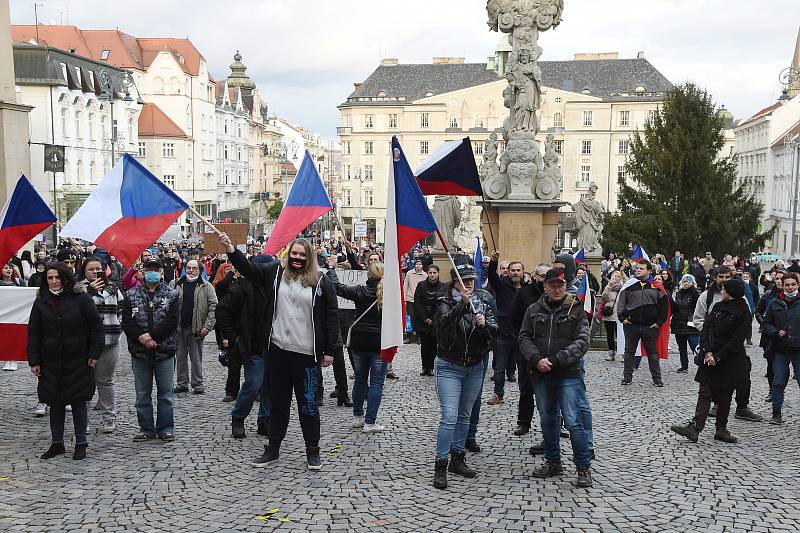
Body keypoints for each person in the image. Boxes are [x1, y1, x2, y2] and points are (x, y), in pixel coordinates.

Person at [222, 234, 341, 471]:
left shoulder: (320, 280)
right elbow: (249, 268)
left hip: (306, 354)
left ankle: (313, 451)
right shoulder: (275, 273)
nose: (297, 258)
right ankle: (272, 448)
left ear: (309, 257)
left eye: (302, 255)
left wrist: (330, 350)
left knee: (307, 404)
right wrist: (231, 249)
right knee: (278, 403)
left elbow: (332, 316)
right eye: (294, 254)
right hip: (277, 351)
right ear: (288, 255)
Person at [519, 268, 593, 488]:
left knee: (572, 420)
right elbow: (524, 337)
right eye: (552, 285)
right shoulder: (533, 310)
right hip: (541, 374)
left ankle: (583, 468)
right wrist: (536, 359)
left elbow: (582, 341)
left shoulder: (576, 309)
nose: (557, 289)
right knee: (548, 419)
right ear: (545, 287)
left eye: (560, 285)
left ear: (565, 285)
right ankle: (553, 462)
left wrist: (557, 360)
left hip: (567, 373)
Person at [28, 262, 104, 460]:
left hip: (78, 358)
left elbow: (96, 327)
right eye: (50, 278)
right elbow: (34, 332)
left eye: (57, 277)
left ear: (65, 278)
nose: (54, 281)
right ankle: (57, 443)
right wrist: (34, 360)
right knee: (55, 402)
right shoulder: (41, 301)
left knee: (78, 400)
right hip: (50, 360)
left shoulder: (81, 298)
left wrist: (94, 354)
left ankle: (81, 442)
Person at [432, 264, 497, 490]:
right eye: (463, 280)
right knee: (449, 415)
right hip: (450, 364)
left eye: (471, 279)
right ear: (455, 283)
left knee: (465, 415)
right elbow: (441, 327)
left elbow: (495, 330)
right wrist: (462, 304)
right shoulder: (444, 302)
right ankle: (441, 463)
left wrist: (484, 325)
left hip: (474, 366)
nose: (468, 283)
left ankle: (458, 458)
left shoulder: (485, 302)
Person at [671, 279, 751, 444]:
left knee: (725, 395)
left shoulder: (743, 311)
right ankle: (695, 428)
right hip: (710, 355)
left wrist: (719, 356)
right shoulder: (717, 307)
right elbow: (706, 329)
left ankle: (721, 429)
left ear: (731, 292)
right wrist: (707, 352)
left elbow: (737, 340)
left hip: (730, 359)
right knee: (705, 391)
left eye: (724, 289)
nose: (722, 291)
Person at [122, 258, 181, 442]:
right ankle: (146, 428)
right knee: (142, 394)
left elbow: (172, 321)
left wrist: (152, 336)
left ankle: (166, 428)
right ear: (143, 271)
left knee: (166, 394)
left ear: (161, 271)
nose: (153, 271)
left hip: (165, 351)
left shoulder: (171, 294)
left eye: (156, 268)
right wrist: (141, 337)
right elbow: (127, 321)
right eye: (149, 268)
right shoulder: (131, 294)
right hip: (139, 352)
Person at [694, 265, 762, 422]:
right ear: (715, 278)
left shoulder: (741, 303)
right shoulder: (708, 297)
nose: (724, 281)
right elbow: (702, 322)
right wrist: (708, 347)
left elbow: (739, 334)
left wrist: (720, 353)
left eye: (727, 278)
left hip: (730, 351)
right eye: (721, 277)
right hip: (709, 347)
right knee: (705, 388)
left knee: (735, 382)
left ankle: (737, 411)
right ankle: (696, 425)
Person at [215, 265, 272, 439]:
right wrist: (234, 338)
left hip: (273, 346)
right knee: (253, 384)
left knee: (270, 386)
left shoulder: (275, 286)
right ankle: (238, 416)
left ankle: (265, 420)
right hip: (251, 345)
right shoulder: (241, 288)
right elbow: (221, 312)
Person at [335, 260, 388, 433]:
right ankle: (370, 422)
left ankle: (358, 417)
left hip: (359, 340)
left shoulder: (360, 291)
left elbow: (339, 288)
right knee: (377, 383)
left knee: (360, 379)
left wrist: (332, 270)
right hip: (379, 342)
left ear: (368, 275)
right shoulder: (390, 294)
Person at [80, 256, 124, 433]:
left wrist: (118, 326)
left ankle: (109, 418)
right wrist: (89, 292)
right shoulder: (78, 289)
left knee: (105, 381)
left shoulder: (113, 288)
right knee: (85, 381)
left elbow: (121, 309)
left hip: (110, 341)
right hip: (87, 344)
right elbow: (75, 311)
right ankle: (84, 420)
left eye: (98, 268)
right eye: (91, 269)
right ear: (84, 271)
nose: (95, 272)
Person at [169, 259, 218, 395]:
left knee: (196, 358)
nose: (191, 271)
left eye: (194, 268)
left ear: (199, 270)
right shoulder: (175, 284)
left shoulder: (206, 286)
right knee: (180, 357)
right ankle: (182, 383)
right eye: (189, 268)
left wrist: (207, 326)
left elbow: (214, 307)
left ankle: (197, 384)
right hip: (179, 327)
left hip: (196, 328)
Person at [616, 260, 667, 386]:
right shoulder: (629, 286)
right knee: (629, 353)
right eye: (637, 268)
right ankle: (627, 378)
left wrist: (659, 323)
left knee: (652, 354)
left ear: (649, 271)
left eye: (641, 268)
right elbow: (621, 303)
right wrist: (622, 318)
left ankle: (657, 379)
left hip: (650, 326)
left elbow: (664, 306)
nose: (638, 270)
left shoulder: (656, 286)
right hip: (631, 325)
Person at [761, 272, 800, 425]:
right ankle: (776, 413)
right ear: (782, 286)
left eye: (793, 284)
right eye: (787, 285)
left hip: (798, 348)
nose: (790, 287)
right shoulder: (774, 303)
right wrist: (775, 332)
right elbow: (766, 323)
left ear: (798, 285)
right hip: (780, 348)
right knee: (778, 381)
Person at [486, 251, 523, 407]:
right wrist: (494, 261)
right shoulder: (501, 285)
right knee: (500, 367)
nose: (515, 273)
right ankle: (498, 394)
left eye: (518, 270)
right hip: (504, 332)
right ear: (508, 272)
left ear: (522, 272)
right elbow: (492, 276)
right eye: (512, 270)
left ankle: (526, 394)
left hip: (523, 334)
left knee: (524, 367)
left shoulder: (528, 288)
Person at [755, 271, 783, 403]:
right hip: (769, 335)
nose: (778, 281)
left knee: (783, 366)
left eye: (781, 279)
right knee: (771, 364)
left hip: (785, 336)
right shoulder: (767, 295)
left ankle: (779, 390)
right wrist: (764, 324)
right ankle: (772, 391)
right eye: (776, 278)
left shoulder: (791, 296)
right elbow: (758, 311)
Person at [414, 264, 447, 376]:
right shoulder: (421, 285)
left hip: (436, 320)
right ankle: (425, 366)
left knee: (434, 345)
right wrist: (425, 318)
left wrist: (434, 319)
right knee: (425, 345)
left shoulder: (443, 286)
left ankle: (432, 367)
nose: (432, 275)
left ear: (438, 274)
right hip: (423, 320)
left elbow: (443, 303)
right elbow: (417, 303)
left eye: (434, 273)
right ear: (427, 273)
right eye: (430, 273)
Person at [669, 274, 700, 373]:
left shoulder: (696, 292)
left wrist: (691, 287)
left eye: (688, 281)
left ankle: (702, 364)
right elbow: (675, 307)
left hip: (690, 324)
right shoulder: (678, 293)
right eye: (684, 281)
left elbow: (697, 300)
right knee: (681, 347)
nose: (686, 283)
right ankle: (684, 366)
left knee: (695, 346)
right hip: (679, 323)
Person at [600, 270, 623, 361]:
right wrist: (609, 286)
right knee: (610, 335)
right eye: (614, 276)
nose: (616, 278)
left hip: (618, 314)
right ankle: (611, 353)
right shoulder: (608, 287)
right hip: (609, 314)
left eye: (617, 276)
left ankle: (622, 353)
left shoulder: (622, 287)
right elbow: (604, 296)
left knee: (620, 335)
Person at [403, 260, 427, 343]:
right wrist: (404, 299)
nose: (418, 266)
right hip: (410, 299)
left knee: (420, 318)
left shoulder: (425, 275)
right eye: (417, 264)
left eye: (420, 264)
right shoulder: (409, 273)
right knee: (410, 318)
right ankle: (409, 337)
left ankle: (419, 337)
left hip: (421, 300)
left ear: (422, 266)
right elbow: (405, 285)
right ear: (414, 265)